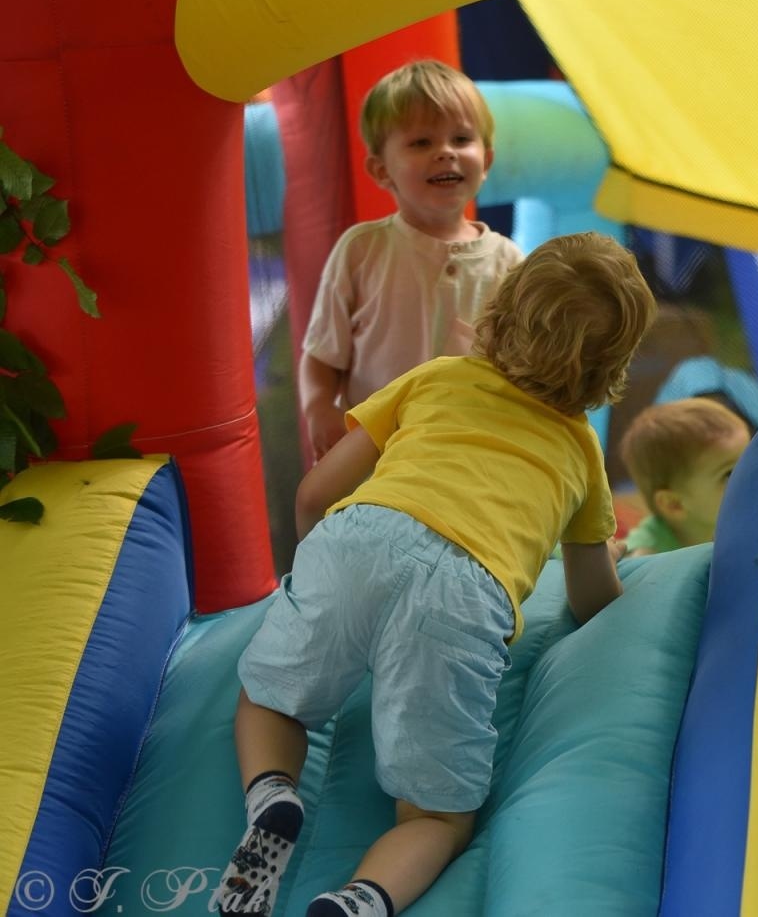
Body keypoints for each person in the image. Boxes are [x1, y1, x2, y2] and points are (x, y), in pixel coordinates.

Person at [212, 232, 656, 917]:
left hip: (359, 540)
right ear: (610, 369)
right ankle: (361, 900)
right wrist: (623, 559)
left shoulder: (439, 376)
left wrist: (313, 580)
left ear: (499, 311)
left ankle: (272, 795)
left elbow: (312, 495)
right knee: (436, 817)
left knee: (270, 699)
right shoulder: (579, 453)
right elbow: (593, 598)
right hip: (464, 596)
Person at [300, 59, 523, 461]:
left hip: (466, 456)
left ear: (486, 161)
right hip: (374, 459)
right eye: (422, 143)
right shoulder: (362, 251)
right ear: (382, 171)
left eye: (461, 139)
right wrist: (318, 406)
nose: (445, 153)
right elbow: (321, 355)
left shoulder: (509, 262)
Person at [619, 397, 751, 555]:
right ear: (674, 504)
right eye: (728, 474)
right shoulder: (648, 558)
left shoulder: (745, 519)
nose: (750, 477)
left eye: (750, 460)